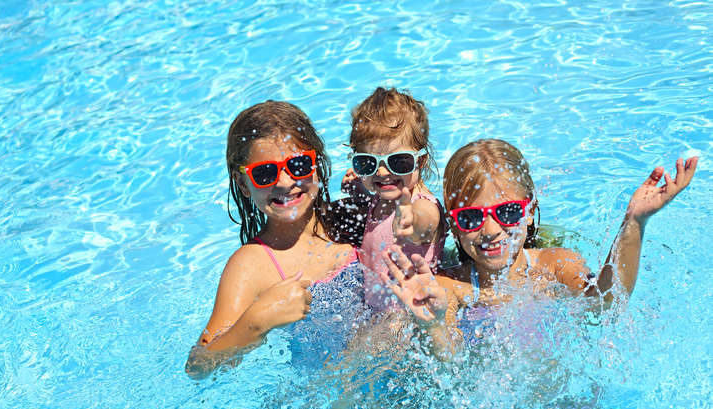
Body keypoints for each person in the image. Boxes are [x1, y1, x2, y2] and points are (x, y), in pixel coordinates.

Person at [382, 138, 698, 359]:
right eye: (470, 217)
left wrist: (633, 225)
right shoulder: (448, 288)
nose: (491, 231)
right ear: (452, 224)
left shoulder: (554, 265)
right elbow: (451, 360)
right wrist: (432, 325)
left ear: (530, 209)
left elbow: (604, 305)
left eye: (507, 212)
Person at [185, 100, 368, 379]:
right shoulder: (252, 265)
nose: (284, 182)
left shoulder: (352, 218)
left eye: (298, 164)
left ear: (316, 166)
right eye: (264, 173)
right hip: (326, 398)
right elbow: (198, 367)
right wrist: (259, 320)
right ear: (244, 184)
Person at [342, 87, 447, 309]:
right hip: (374, 316)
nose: (381, 173)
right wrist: (359, 189)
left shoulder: (422, 204)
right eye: (367, 162)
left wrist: (413, 222)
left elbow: (426, 223)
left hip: (407, 321)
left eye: (398, 161)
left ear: (421, 161)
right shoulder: (382, 195)